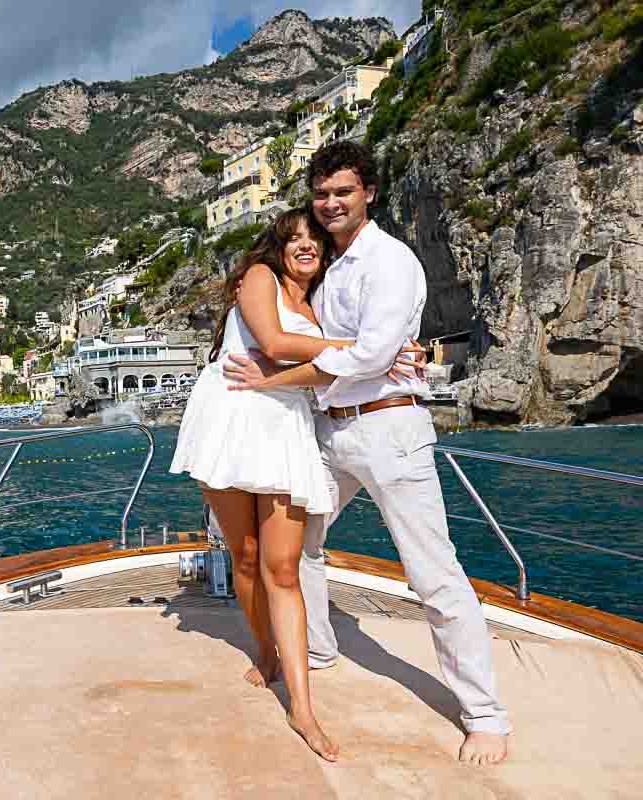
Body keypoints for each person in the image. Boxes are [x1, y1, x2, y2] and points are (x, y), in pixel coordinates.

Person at [222, 140, 512, 765]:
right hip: (328, 430)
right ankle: (318, 650)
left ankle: (485, 716)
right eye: (321, 194)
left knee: (433, 572)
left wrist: (288, 377)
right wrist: (353, 357)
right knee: (296, 548)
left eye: (342, 192)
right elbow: (320, 345)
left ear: (369, 194)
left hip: (389, 431)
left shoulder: (392, 262)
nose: (329, 204)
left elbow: (364, 358)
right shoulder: (325, 269)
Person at [170, 208, 346, 762]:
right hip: (234, 415)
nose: (305, 246)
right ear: (277, 244)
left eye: (315, 239)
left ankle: (303, 707)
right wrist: (356, 349)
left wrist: (356, 353)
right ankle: (266, 651)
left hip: (287, 424)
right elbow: (270, 341)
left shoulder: (321, 305)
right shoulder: (259, 277)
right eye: (293, 238)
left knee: (283, 568)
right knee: (244, 558)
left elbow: (326, 375)